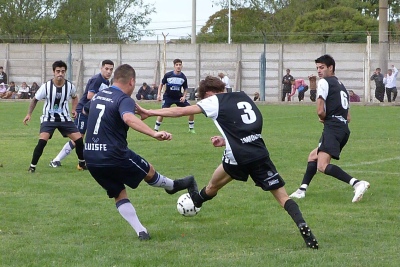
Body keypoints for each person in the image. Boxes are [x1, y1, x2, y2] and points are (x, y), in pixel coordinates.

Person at [136, 76, 319, 249]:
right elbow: (252, 123)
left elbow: (181, 110)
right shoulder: (242, 96)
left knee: (213, 185)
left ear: (208, 94)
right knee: (283, 197)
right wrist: (227, 140)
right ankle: (301, 224)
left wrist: (149, 112)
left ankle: (196, 198)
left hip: (237, 155)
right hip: (259, 152)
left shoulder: (214, 100)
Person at [83, 64, 198, 241]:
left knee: (119, 193)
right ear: (132, 81)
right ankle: (172, 186)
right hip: (114, 154)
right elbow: (128, 118)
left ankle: (141, 231)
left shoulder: (99, 95)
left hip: (90, 156)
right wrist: (154, 133)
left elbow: (86, 109)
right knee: (148, 171)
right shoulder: (124, 99)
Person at [289, 54, 370, 202]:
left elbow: (320, 111)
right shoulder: (341, 85)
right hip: (343, 129)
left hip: (333, 129)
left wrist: (324, 118)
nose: (319, 71)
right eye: (317, 68)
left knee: (322, 165)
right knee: (313, 156)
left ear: (330, 67)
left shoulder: (324, 83)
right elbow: (349, 117)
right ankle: (302, 190)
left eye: (322, 67)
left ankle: (357, 183)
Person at [23, 60, 86, 173]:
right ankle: (32, 167)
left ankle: (82, 163)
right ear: (53, 72)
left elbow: (75, 97)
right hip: (49, 118)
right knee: (42, 141)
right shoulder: (46, 86)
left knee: (79, 140)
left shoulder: (69, 86)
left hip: (64, 118)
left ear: (65, 72)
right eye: (58, 71)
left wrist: (73, 109)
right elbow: (35, 100)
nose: (60, 74)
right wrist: (29, 114)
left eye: (62, 71)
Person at [50, 59, 114, 168]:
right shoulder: (97, 79)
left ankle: (88, 162)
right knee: (77, 138)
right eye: (106, 69)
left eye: (111, 69)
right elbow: (90, 95)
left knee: (95, 137)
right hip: (83, 112)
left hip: (92, 114)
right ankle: (56, 160)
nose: (109, 71)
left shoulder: (106, 81)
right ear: (101, 68)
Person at [155, 59, 195, 133]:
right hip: (168, 97)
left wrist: (184, 97)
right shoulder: (168, 75)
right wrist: (159, 95)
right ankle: (156, 130)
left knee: (191, 110)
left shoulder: (183, 77)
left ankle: (191, 128)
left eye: (180, 65)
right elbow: (161, 84)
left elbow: (185, 88)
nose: (178, 66)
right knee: (162, 112)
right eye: (177, 65)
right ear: (174, 66)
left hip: (178, 97)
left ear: (182, 66)